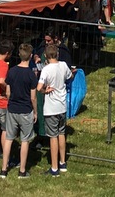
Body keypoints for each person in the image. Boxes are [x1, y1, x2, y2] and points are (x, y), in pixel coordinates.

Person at [0, 43, 38, 179]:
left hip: (12, 109)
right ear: (31, 56)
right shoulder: (31, 75)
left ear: (19, 55)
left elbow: (8, 92)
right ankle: (22, 170)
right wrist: (35, 112)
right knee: (25, 140)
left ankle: (4, 169)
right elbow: (33, 98)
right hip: (25, 110)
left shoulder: (12, 71)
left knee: (9, 138)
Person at [37, 43, 73, 176]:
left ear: (45, 56)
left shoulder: (46, 69)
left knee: (53, 137)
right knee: (61, 133)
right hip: (62, 106)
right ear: (57, 54)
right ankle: (63, 162)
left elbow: (38, 87)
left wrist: (45, 91)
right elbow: (70, 77)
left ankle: (54, 167)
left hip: (51, 108)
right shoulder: (63, 65)